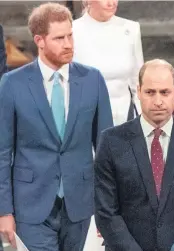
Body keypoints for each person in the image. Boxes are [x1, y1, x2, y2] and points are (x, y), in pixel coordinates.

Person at [0, 3, 113, 251]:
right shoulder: (12, 84)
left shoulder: (92, 80)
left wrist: (107, 207)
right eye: (59, 38)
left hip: (81, 205)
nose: (68, 44)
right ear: (39, 40)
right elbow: (2, 152)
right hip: (31, 206)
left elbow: (106, 150)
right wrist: (3, 211)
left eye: (70, 35)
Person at [94, 59, 174, 251]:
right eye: (150, 92)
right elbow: (106, 212)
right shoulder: (111, 142)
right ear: (138, 92)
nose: (158, 101)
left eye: (165, 92)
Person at [73, 0, 143, 126]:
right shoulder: (72, 31)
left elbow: (138, 79)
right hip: (85, 119)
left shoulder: (131, 28)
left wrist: (144, 117)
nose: (111, 3)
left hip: (125, 117)